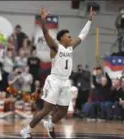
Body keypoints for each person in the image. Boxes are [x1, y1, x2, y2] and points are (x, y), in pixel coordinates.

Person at [20, 7, 95, 139]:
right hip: (54, 80)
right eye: (68, 36)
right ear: (61, 39)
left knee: (63, 112)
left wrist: (89, 20)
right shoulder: (55, 47)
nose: (70, 37)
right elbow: (46, 33)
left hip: (65, 81)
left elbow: (82, 35)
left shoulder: (70, 47)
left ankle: (50, 125)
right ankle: (26, 130)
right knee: (46, 110)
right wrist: (43, 20)